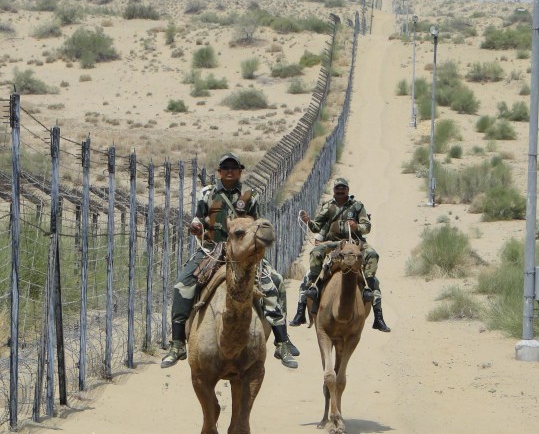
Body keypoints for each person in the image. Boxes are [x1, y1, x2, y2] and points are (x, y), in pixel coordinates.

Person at [161, 152, 300, 369]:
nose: (229, 171)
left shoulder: (249, 196)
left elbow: (256, 223)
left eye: (233, 168)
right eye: (225, 168)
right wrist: (196, 225)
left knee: (275, 281)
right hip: (212, 248)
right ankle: (177, 343)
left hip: (241, 250)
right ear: (219, 171)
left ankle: (282, 341)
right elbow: (199, 216)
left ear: (240, 171)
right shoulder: (208, 193)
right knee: (182, 283)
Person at [289, 177, 391, 332]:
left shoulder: (357, 206)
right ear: (334, 190)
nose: (340, 190)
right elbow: (316, 227)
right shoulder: (328, 206)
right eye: (338, 188)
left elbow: (367, 226)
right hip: (334, 243)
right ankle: (308, 297)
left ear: (348, 190)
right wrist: (308, 221)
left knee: (373, 255)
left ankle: (373, 301)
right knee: (315, 253)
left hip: (355, 243)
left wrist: (356, 226)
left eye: (343, 188)